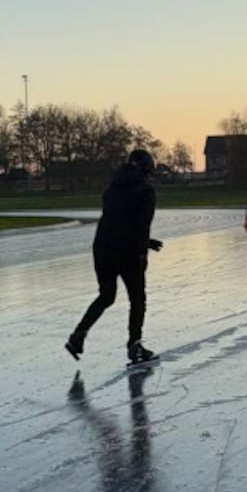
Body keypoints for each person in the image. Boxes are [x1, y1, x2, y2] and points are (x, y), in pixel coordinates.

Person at [66, 149, 164, 365]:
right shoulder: (146, 191)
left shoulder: (112, 188)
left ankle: (78, 335)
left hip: (103, 248)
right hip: (128, 252)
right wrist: (142, 250)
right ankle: (134, 344)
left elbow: (116, 220)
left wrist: (146, 243)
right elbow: (140, 225)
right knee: (137, 299)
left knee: (106, 296)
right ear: (146, 171)